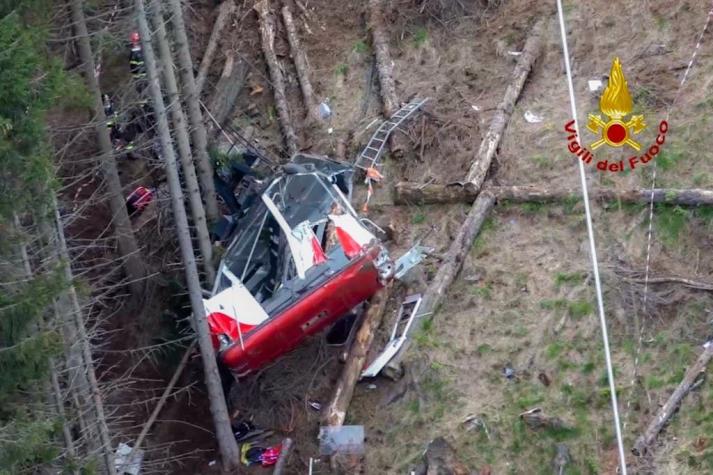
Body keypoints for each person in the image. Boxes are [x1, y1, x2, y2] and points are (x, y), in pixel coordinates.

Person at [213, 150, 260, 216]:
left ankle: (235, 211)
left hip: (227, 184)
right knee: (226, 191)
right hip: (226, 185)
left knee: (227, 191)